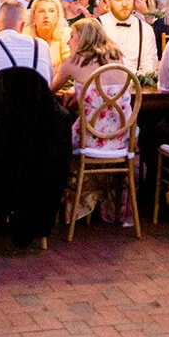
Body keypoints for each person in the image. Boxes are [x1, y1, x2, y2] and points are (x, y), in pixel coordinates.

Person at [52, 17, 135, 226]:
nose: (69, 41)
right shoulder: (117, 58)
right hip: (121, 139)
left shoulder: (73, 62)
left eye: (72, 36)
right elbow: (103, 86)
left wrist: (75, 88)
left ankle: (63, 206)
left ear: (84, 39)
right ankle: (109, 205)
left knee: (56, 138)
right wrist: (78, 89)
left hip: (89, 139)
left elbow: (50, 88)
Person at [97, 0, 158, 75]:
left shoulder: (145, 30)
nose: (124, 4)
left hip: (135, 86)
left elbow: (149, 69)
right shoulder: (96, 26)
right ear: (108, 1)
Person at [24, 0, 70, 65]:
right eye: (41, 11)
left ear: (57, 16)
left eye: (51, 11)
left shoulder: (66, 34)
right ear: (33, 17)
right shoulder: (24, 35)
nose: (46, 15)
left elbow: (68, 66)